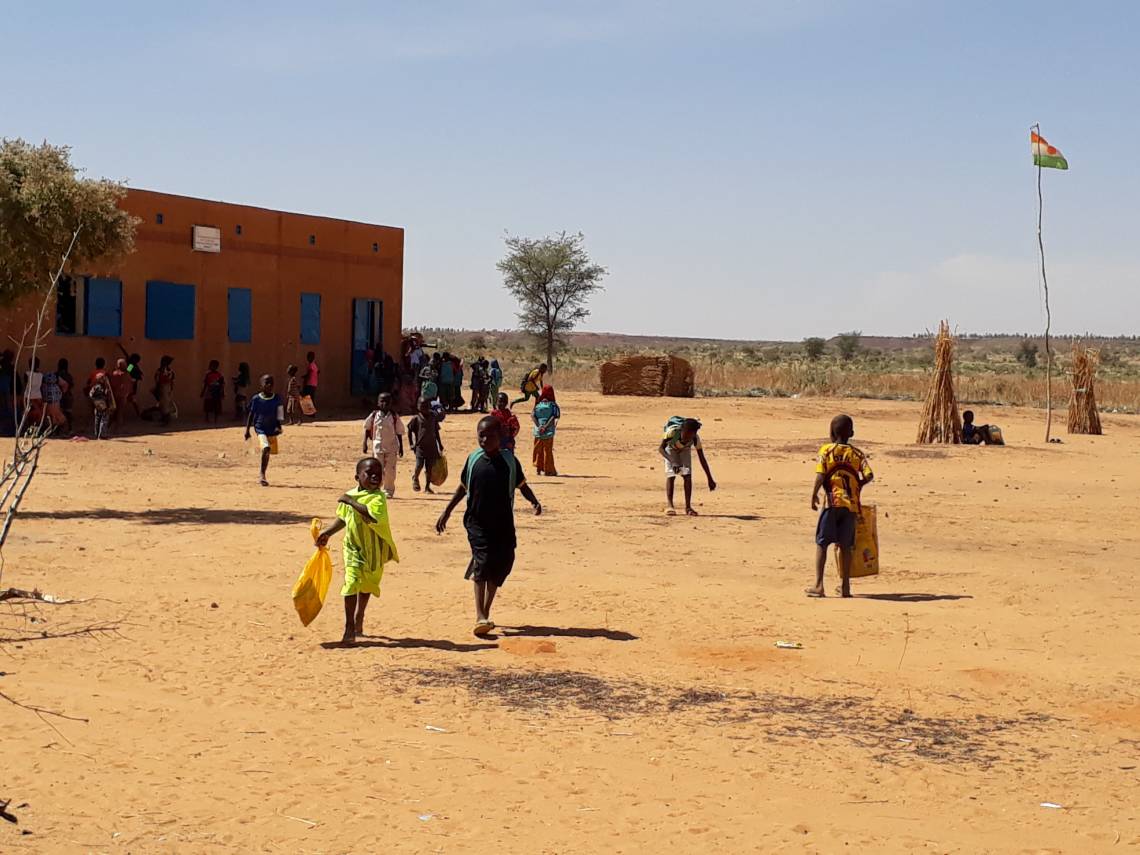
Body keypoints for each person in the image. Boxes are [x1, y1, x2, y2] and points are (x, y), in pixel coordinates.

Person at [436, 416, 542, 636]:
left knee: (502, 562)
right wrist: (447, 510)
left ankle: (486, 609)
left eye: (489, 435)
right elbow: (463, 487)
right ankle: (480, 615)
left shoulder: (509, 462)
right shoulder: (473, 459)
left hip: (502, 523)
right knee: (483, 564)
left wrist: (534, 501)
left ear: (501, 436)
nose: (484, 439)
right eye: (480, 435)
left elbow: (521, 485)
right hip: (477, 522)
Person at [316, 457, 400, 644]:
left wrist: (350, 501)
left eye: (378, 475)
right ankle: (349, 628)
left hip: (373, 552)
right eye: (369, 473)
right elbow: (343, 519)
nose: (374, 477)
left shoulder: (378, 498)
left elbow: (369, 514)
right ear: (357, 476)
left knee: (367, 585)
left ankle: (359, 615)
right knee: (351, 583)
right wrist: (327, 533)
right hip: (353, 548)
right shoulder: (351, 495)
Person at [807, 414, 874, 599]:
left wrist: (813, 494)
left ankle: (819, 585)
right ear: (852, 432)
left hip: (831, 503)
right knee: (846, 546)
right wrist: (858, 484)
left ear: (830, 432)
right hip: (851, 506)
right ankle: (845, 587)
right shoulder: (857, 454)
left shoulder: (827, 451)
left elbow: (821, 474)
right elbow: (869, 475)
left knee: (822, 543)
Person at [659, 417, 717, 516]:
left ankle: (688, 507)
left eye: (690, 436)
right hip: (671, 449)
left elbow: (702, 458)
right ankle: (670, 505)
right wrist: (673, 461)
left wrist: (710, 478)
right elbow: (661, 449)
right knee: (671, 474)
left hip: (685, 450)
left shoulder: (695, 439)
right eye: (685, 435)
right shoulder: (673, 433)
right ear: (681, 430)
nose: (687, 438)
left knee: (687, 475)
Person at [363, 392, 405, 498]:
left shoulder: (394, 417)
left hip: (391, 447)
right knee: (377, 469)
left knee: (390, 470)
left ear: (391, 403)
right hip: (378, 447)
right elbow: (367, 428)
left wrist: (401, 447)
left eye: (387, 401)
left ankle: (388, 490)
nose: (384, 404)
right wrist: (365, 443)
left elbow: (399, 432)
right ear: (378, 403)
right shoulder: (374, 415)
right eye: (382, 401)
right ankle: (376, 488)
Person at [245, 374, 285, 487]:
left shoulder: (277, 398)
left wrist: (279, 426)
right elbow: (251, 414)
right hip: (260, 428)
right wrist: (247, 430)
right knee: (266, 448)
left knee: (268, 452)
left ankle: (263, 472)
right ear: (261, 385)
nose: (269, 385)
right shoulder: (256, 399)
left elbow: (279, 414)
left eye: (271, 383)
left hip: (271, 429)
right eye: (266, 382)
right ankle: (262, 475)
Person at [407, 397, 444, 494]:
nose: (424, 408)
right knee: (419, 465)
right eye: (422, 406)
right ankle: (415, 477)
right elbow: (409, 431)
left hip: (432, 447)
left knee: (429, 468)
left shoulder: (433, 417)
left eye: (427, 406)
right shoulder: (416, 419)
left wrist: (440, 444)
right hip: (420, 447)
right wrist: (411, 443)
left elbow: (436, 431)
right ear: (418, 406)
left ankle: (427, 487)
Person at [531, 385, 561, 476]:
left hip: (538, 432)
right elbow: (554, 416)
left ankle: (538, 469)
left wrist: (539, 426)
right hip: (548, 432)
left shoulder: (538, 404)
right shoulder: (552, 405)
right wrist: (545, 427)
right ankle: (549, 470)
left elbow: (533, 415)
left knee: (538, 450)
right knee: (548, 451)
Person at [88, 367, 115, 440]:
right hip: (103, 404)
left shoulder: (95, 387)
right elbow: (107, 395)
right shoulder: (103, 387)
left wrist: (95, 401)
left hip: (97, 405)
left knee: (97, 419)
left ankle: (97, 434)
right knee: (104, 419)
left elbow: (90, 395)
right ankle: (102, 435)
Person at [109, 358, 135, 432]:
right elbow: (131, 367)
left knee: (114, 412)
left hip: (114, 395)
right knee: (120, 412)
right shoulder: (126, 373)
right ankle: (117, 429)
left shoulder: (114, 374)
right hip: (122, 395)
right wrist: (131, 363)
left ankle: (109, 427)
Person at [201, 360, 225, 424]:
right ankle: (207, 418)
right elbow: (205, 383)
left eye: (213, 366)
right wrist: (203, 392)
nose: (211, 367)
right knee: (207, 405)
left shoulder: (219, 375)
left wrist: (222, 393)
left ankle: (215, 419)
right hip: (210, 391)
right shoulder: (208, 374)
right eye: (211, 366)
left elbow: (222, 385)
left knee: (216, 405)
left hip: (216, 392)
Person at [154, 356, 176, 425]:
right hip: (127, 388)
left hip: (165, 387)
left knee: (164, 403)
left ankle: (166, 419)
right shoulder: (131, 366)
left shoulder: (166, 370)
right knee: (163, 403)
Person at [23, 357, 44, 428]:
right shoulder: (41, 375)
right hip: (38, 396)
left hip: (29, 396)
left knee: (28, 414)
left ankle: (29, 428)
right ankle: (37, 429)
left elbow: (25, 385)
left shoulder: (27, 374)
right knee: (38, 414)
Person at [56, 358, 75, 435]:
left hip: (58, 396)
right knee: (68, 414)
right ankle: (70, 429)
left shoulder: (56, 375)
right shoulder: (69, 375)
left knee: (58, 413)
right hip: (67, 396)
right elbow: (72, 385)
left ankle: (58, 430)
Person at [303, 351, 320, 416]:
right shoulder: (314, 365)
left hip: (309, 384)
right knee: (311, 398)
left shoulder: (310, 365)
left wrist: (305, 378)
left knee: (308, 398)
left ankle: (310, 412)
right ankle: (312, 412)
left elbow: (309, 374)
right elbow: (318, 371)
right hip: (314, 384)